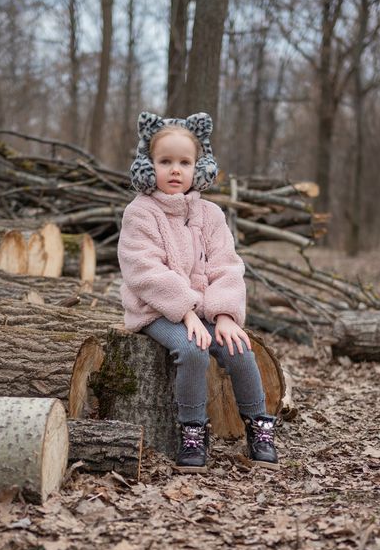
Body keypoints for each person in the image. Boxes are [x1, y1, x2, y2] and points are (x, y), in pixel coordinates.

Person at [117, 111, 279, 472]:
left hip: (206, 309)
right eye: (165, 161)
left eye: (185, 162)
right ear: (147, 167)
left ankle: (259, 427)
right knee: (193, 349)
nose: (175, 170)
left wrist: (223, 315)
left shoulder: (210, 215)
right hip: (156, 311)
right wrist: (188, 311)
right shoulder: (140, 213)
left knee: (239, 346)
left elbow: (227, 265)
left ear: (199, 168)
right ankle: (192, 431)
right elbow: (144, 270)